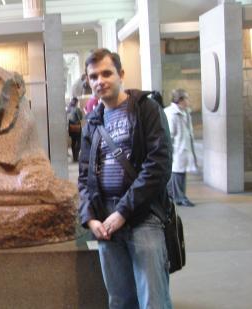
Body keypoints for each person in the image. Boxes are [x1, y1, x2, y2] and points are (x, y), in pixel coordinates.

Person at [78, 48, 173, 309]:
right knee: (120, 300)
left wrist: (123, 212)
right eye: (93, 76)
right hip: (106, 224)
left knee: (152, 299)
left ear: (121, 74)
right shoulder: (93, 123)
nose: (100, 81)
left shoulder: (146, 109)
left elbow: (158, 166)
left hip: (142, 219)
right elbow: (84, 175)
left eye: (106, 73)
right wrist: (90, 217)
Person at [164, 89, 198, 207]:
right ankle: (179, 197)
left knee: (180, 173)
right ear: (180, 100)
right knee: (177, 174)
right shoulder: (171, 113)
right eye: (186, 98)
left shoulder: (185, 112)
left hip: (183, 148)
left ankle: (178, 196)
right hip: (177, 149)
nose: (188, 101)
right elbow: (170, 134)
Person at [66, 97, 84, 161]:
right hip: (77, 127)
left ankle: (74, 157)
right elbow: (80, 118)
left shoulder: (68, 109)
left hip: (70, 127)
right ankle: (77, 156)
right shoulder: (77, 109)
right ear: (76, 102)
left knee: (73, 142)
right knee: (79, 142)